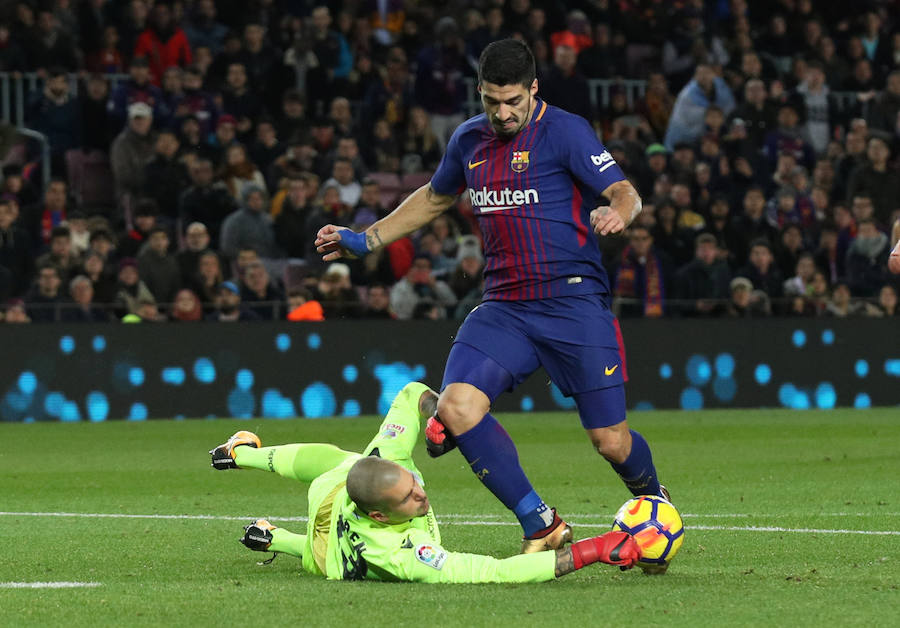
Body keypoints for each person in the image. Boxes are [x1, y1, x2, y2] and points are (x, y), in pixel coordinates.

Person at [316, 39, 668, 557]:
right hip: (504, 305)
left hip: (573, 303)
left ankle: (655, 504)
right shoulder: (468, 140)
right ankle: (541, 525)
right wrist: (366, 238)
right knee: (456, 407)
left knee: (610, 442)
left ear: (534, 90)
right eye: (491, 101)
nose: (502, 114)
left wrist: (620, 213)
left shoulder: (565, 131)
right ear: (479, 93)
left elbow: (624, 190)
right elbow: (436, 196)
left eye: (513, 102)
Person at [209, 382, 641, 582]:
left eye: (412, 483)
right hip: (332, 542)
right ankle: (277, 538)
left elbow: (410, 392)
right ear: (381, 515)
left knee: (342, 460)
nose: (422, 492)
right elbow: (497, 572)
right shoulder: (401, 555)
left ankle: (238, 454)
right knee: (318, 556)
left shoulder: (388, 459)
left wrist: (438, 415)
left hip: (341, 483)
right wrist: (593, 550)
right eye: (410, 496)